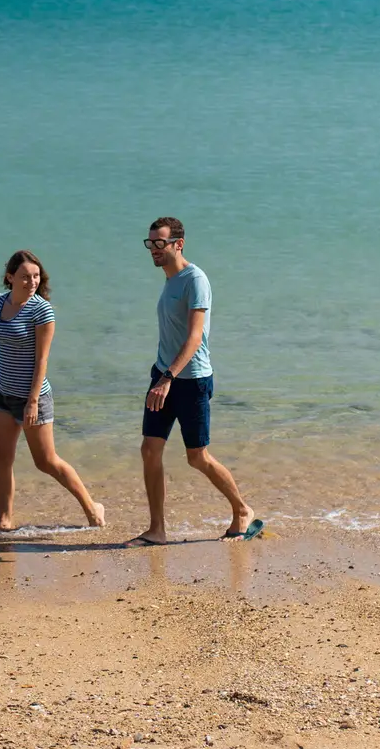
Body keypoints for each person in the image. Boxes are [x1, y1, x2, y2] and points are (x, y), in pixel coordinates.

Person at [129, 217, 258, 545]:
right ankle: (157, 529)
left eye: (160, 243)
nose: (154, 250)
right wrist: (162, 375)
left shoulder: (194, 280)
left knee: (196, 456)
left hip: (190, 381)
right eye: (150, 244)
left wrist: (169, 377)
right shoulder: (169, 280)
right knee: (149, 449)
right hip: (164, 375)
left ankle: (242, 510)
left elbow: (195, 337)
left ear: (178, 244)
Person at [0, 250, 105, 531]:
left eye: (35, 276)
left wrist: (32, 402)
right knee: (2, 459)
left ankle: (92, 507)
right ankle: (5, 519)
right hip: (2, 395)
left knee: (46, 461)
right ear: (10, 278)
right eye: (24, 277)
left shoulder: (42, 310)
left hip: (32, 398)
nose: (31, 281)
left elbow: (41, 360)